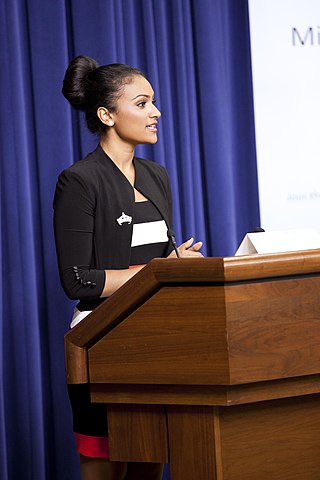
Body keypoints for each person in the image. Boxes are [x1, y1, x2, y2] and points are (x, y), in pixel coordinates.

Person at [53, 55, 203, 480]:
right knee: (106, 465)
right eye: (141, 103)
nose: (155, 112)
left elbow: (154, 261)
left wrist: (177, 266)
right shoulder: (79, 180)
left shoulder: (156, 175)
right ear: (106, 115)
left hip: (156, 340)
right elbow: (77, 279)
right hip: (101, 341)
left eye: (153, 102)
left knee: (150, 458)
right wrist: (160, 271)